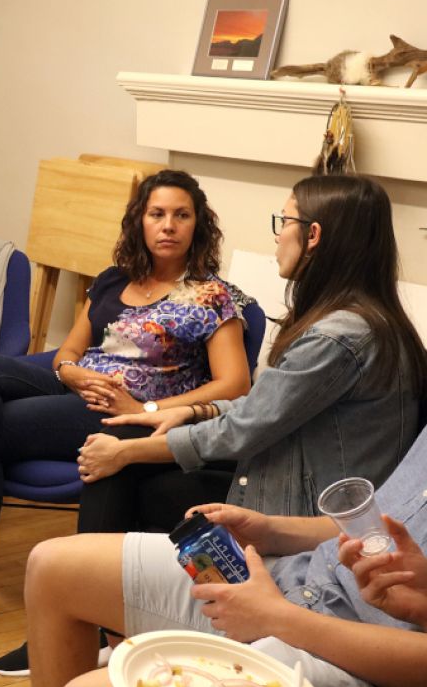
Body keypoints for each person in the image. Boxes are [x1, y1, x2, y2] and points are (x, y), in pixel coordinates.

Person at [0, 170, 252, 616]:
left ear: (198, 225)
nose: (168, 225)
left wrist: (147, 408)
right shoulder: (115, 279)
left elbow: (235, 384)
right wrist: (72, 372)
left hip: (127, 415)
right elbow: (70, 350)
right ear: (140, 220)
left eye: (181, 215)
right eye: (157, 214)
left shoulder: (210, 296)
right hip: (78, 387)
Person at [77, 174, 424, 516]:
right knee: (126, 467)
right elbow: (265, 408)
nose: (277, 237)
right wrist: (196, 411)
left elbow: (246, 428)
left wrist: (129, 452)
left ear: (313, 235)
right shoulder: (367, 320)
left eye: (284, 221)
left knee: (121, 464)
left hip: (304, 508)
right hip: (288, 466)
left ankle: (89, 569)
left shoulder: (336, 338)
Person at [26, 416, 427, 687]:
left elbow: (252, 417)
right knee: (52, 566)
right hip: (302, 583)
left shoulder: (342, 335)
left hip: (357, 662)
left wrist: (277, 618)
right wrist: (270, 530)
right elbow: (377, 528)